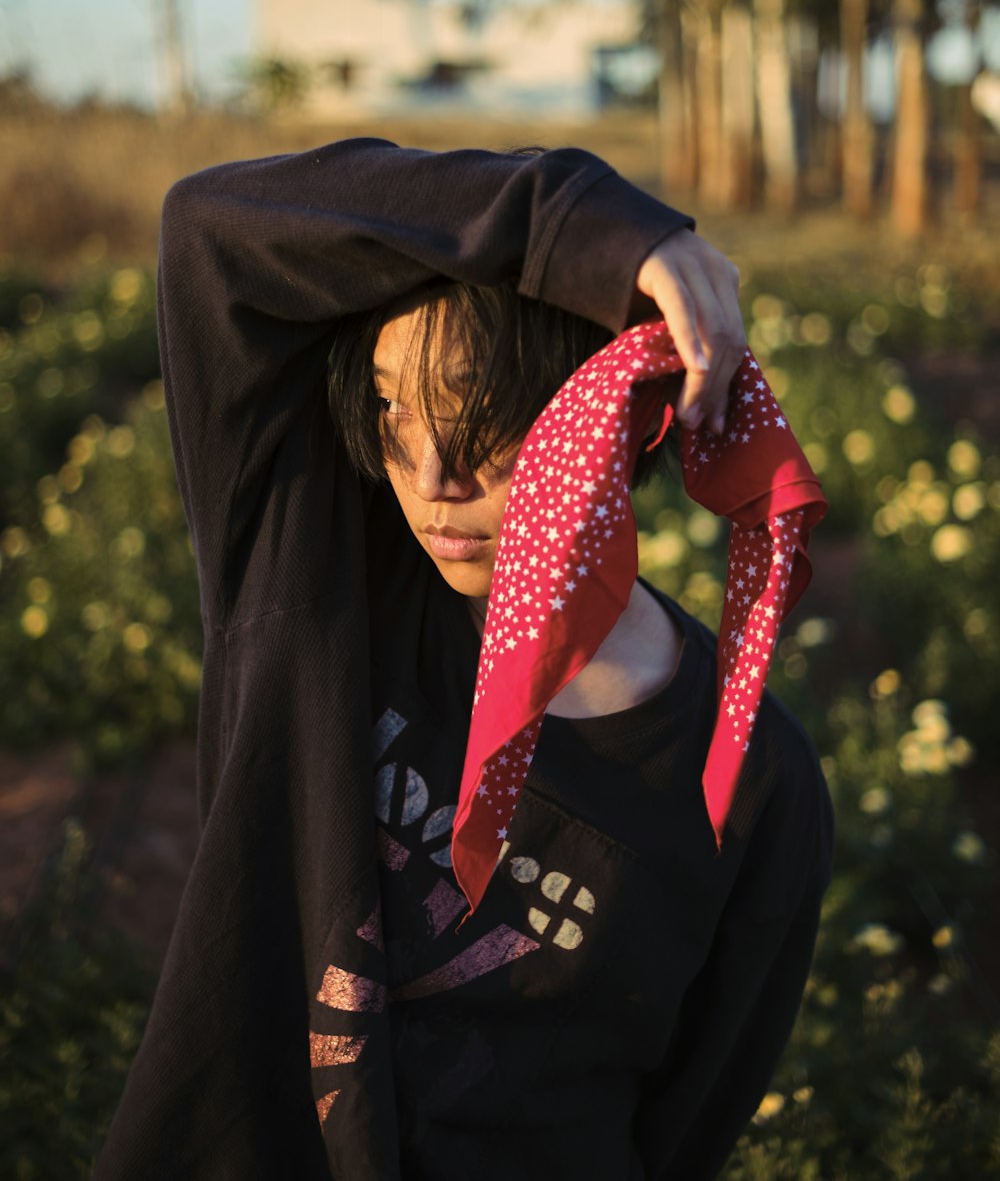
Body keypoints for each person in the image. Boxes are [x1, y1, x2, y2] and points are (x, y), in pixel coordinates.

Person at [94, 138, 834, 1181]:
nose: (430, 476)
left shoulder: (747, 776)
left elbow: (689, 1118)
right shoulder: (318, 589)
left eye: (485, 414)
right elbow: (207, 230)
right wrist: (581, 231)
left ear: (618, 418)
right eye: (395, 409)